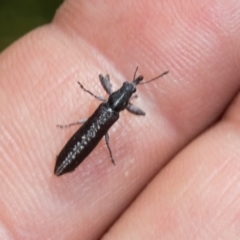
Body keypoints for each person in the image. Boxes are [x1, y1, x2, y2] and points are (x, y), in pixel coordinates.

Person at [0, 1, 240, 239]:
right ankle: (69, 157)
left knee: (87, 131)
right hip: (76, 149)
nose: (130, 86)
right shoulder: (113, 111)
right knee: (88, 134)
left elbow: (106, 92)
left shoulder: (109, 108)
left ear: (122, 98)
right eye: (129, 87)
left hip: (88, 135)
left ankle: (70, 156)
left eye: (130, 88)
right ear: (122, 98)